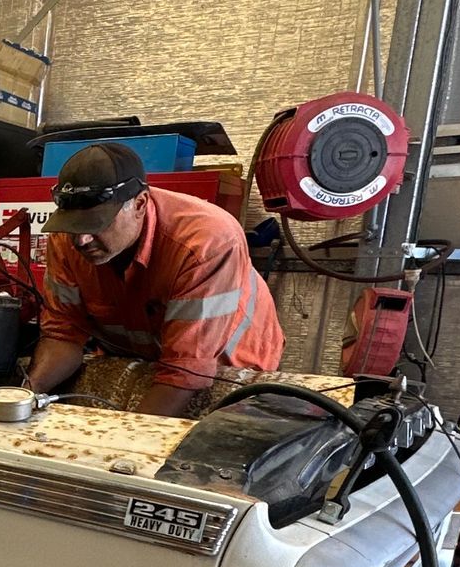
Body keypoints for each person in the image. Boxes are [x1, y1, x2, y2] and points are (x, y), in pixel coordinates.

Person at [26, 141, 283, 418]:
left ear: (139, 204)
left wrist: (127, 449)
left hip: (227, 368)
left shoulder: (206, 242)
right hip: (151, 359)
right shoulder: (67, 240)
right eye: (73, 225)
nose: (81, 239)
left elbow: (184, 371)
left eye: (95, 223)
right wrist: (22, 395)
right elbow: (64, 334)